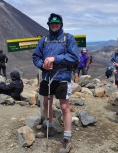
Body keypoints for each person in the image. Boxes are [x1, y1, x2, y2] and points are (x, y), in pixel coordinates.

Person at [32, 13, 79, 148]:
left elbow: (74, 57)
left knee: (64, 107)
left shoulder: (68, 38)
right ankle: (50, 127)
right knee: (47, 103)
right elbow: (36, 56)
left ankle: (67, 136)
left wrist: (55, 58)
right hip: (47, 77)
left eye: (56, 23)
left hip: (62, 77)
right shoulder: (44, 39)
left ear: (61, 24)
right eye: (52, 23)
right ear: (49, 25)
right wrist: (42, 64)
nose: (54, 25)